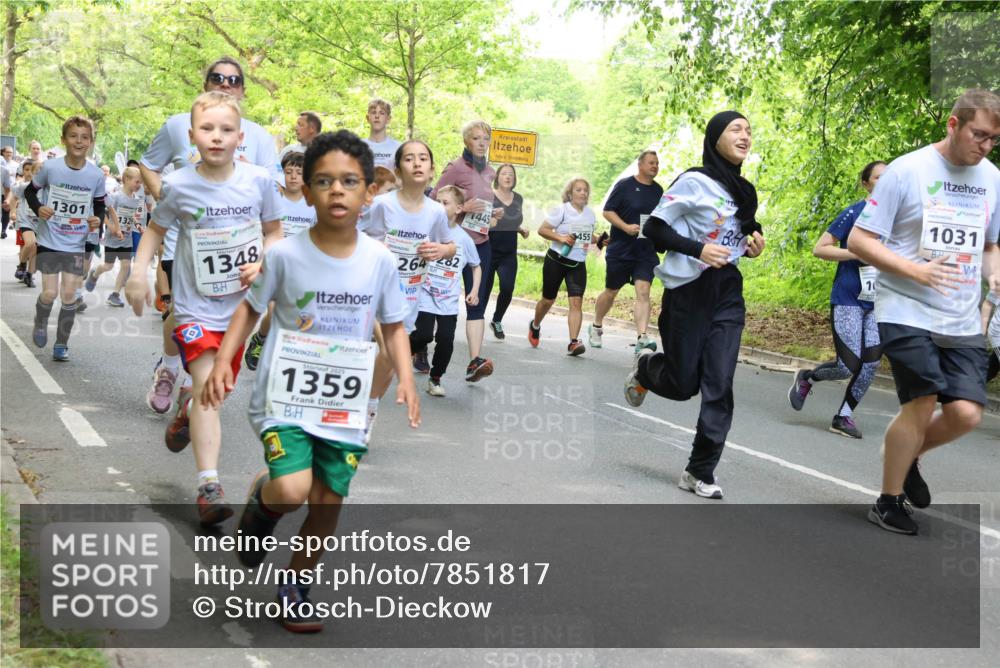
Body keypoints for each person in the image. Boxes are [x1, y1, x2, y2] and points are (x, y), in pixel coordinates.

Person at [202, 130, 418, 633]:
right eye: (323, 181)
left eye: (349, 182)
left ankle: (295, 586)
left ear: (369, 192)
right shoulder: (284, 256)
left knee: (326, 503)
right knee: (294, 490)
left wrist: (404, 378)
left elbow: (392, 326)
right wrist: (222, 363)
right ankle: (265, 500)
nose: (336, 191)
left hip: (344, 404)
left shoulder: (380, 261)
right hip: (286, 397)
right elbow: (250, 310)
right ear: (307, 189)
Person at [125, 91, 283, 525]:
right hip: (194, 310)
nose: (217, 137)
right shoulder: (178, 185)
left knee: (213, 393)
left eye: (226, 130)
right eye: (207, 129)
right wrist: (139, 272)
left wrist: (264, 262)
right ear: (192, 135)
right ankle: (208, 485)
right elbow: (155, 232)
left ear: (241, 137)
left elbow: (274, 232)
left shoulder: (258, 182)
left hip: (241, 312)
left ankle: (186, 415)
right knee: (208, 390)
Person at [848, 88, 1000, 535]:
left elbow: (992, 243)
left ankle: (909, 452)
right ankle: (888, 499)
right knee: (923, 400)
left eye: (993, 139)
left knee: (967, 413)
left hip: (961, 314)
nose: (985, 145)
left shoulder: (992, 178)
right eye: (979, 134)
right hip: (905, 304)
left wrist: (995, 273)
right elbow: (860, 241)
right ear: (953, 124)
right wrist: (914, 271)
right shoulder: (907, 170)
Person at [623, 110, 766, 500]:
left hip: (727, 291)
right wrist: (698, 247)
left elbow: (747, 227)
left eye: (749, 131)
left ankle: (699, 470)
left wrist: (755, 242)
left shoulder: (745, 189)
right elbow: (654, 227)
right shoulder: (693, 181)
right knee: (684, 382)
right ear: (715, 137)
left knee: (719, 383)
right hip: (688, 289)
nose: (745, 135)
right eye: (736, 129)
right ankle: (647, 368)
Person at [139, 55, 279, 415]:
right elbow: (148, 165)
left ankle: (197, 390)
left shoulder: (259, 137)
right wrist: (168, 200)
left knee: (231, 320)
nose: (225, 84)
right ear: (206, 83)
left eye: (233, 80)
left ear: (243, 90)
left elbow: (271, 191)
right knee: (179, 311)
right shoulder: (176, 125)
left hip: (238, 251)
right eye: (217, 77)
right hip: (186, 238)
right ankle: (169, 370)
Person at [788, 161, 888, 438]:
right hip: (849, 299)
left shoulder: (900, 218)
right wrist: (856, 253)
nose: (886, 181)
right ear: (866, 184)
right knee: (848, 365)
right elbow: (820, 248)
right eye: (879, 177)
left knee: (869, 365)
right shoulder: (854, 213)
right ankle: (808, 377)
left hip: (881, 301)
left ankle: (843, 417)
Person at [362, 139, 454, 439]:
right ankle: (356, 409)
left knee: (388, 356)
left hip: (409, 295)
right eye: (410, 158)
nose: (417, 163)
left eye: (423, 158)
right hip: (371, 290)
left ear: (431, 170)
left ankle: (368, 406)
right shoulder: (382, 205)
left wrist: (441, 250)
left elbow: (450, 245)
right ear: (398, 169)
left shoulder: (436, 212)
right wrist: (378, 246)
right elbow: (354, 234)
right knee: (387, 350)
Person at [23, 116, 106, 361]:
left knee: (69, 295)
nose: (79, 141)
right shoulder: (51, 168)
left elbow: (99, 204)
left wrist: (97, 219)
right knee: (50, 294)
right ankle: (40, 321)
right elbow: (30, 191)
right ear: (63, 140)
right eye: (73, 136)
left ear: (90, 142)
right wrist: (39, 208)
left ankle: (61, 343)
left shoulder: (95, 175)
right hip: (49, 240)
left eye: (84, 137)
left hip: (76, 243)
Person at [431, 120, 504, 381]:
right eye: (476, 138)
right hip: (451, 243)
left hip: (479, 244)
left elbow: (481, 209)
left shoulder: (490, 172)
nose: (482, 143)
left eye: (486, 138)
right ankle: (420, 346)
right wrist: (462, 209)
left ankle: (475, 362)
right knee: (437, 298)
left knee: (477, 303)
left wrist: (491, 215)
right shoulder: (455, 168)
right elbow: (433, 202)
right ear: (466, 142)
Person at [243, 151, 317, 371]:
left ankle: (289, 355)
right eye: (288, 172)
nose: (293, 177)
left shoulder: (312, 203)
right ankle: (261, 338)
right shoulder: (273, 197)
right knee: (276, 309)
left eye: (299, 172)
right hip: (275, 264)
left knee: (302, 314)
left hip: (304, 267)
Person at [590, 151, 664, 355]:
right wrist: (624, 227)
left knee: (643, 291)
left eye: (657, 163)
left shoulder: (658, 191)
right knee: (611, 292)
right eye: (651, 163)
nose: (655, 166)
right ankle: (596, 325)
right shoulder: (624, 185)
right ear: (640, 165)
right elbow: (607, 211)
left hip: (645, 250)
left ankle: (642, 337)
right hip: (621, 249)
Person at [411, 185, 481, 395]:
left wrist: (474, 290)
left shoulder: (464, 239)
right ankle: (401, 353)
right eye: (437, 202)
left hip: (448, 300)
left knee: (446, 341)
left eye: (445, 203)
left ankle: (435, 379)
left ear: (459, 208)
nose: (439, 206)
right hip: (425, 294)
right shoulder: (426, 230)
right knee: (423, 335)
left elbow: (476, 266)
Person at [528, 178, 597, 356]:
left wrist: (599, 239)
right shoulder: (562, 210)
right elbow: (543, 230)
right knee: (548, 300)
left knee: (576, 302)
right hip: (556, 261)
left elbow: (587, 236)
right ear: (570, 193)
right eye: (578, 190)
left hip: (577, 264)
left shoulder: (590, 214)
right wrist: (561, 238)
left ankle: (574, 342)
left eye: (585, 190)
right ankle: (535, 325)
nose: (583, 193)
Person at [84, 166, 145, 307]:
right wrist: (112, 228)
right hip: (113, 239)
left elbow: (129, 216)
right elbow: (103, 214)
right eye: (137, 182)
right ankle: (95, 273)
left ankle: (115, 294)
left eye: (140, 182)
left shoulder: (136, 198)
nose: (139, 185)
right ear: (127, 180)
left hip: (127, 238)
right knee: (108, 266)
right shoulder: (116, 197)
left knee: (125, 265)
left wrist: (138, 225)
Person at [486, 163, 529, 340]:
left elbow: (512, 220)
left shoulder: (518, 198)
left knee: (507, 288)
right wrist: (491, 221)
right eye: (504, 174)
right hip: (488, 249)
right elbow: (481, 220)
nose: (507, 177)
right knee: (484, 290)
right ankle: (477, 319)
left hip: (509, 252)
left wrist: (520, 229)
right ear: (498, 177)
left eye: (510, 174)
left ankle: (497, 320)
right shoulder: (488, 196)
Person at [8, 159, 40, 286]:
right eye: (26, 170)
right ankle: (21, 265)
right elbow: (13, 199)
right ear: (23, 171)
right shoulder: (21, 186)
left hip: (40, 221)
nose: (29, 173)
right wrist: (12, 211)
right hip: (25, 219)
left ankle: (30, 275)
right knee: (30, 243)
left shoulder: (43, 186)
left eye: (33, 170)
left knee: (36, 248)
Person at [362, 99, 401, 170]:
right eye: (373, 112)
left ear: (388, 119)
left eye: (382, 113)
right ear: (368, 118)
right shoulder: (359, 146)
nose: (377, 116)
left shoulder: (398, 147)